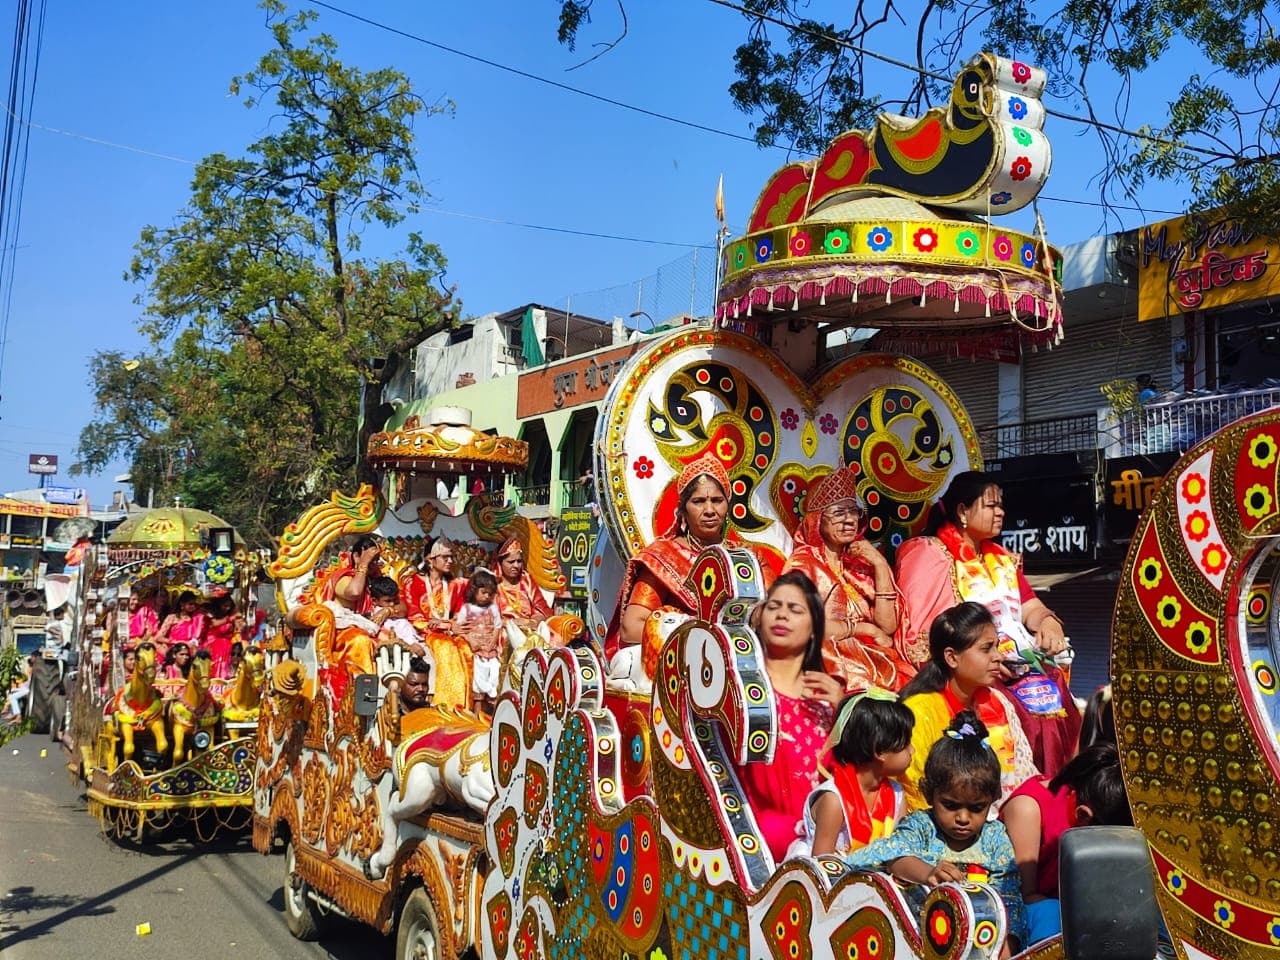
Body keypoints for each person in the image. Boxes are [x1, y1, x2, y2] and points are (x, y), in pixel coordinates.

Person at [896, 471, 1081, 776]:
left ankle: (1057, 791)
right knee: (1021, 709)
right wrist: (986, 657)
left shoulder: (1001, 559)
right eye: (991, 505)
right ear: (962, 511)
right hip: (972, 667)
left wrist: (1048, 623)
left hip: (1014, 662)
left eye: (1001, 506)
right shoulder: (931, 554)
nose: (1001, 512)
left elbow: (1029, 606)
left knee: (1055, 686)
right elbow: (927, 631)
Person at [844, 711, 1029, 954]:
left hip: (979, 947)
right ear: (930, 794)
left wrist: (1007, 945)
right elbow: (895, 858)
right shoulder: (921, 826)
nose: (963, 818)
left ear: (993, 798)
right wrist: (928, 873)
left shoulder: (994, 838)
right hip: (913, 942)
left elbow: (1009, 898)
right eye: (951, 805)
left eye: (976, 808)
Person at [737, 570, 845, 862]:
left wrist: (844, 711)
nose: (781, 615)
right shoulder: (739, 687)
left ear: (814, 628)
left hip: (823, 835)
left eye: (795, 609)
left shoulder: (828, 700)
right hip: (757, 833)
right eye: (774, 607)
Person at [782, 464, 917, 692]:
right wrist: (866, 630)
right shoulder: (803, 563)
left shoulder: (861, 566)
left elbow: (888, 626)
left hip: (877, 659)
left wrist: (879, 563)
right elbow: (800, 625)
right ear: (818, 520)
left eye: (853, 512)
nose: (848, 520)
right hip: (832, 663)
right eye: (838, 513)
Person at [896, 602, 1038, 812]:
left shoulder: (998, 701)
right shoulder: (918, 712)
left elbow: (1023, 774)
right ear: (952, 657)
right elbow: (918, 794)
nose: (998, 657)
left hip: (1001, 817)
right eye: (986, 648)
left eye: (997, 646)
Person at [1000, 741, 1130, 944]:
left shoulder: (1093, 813)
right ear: (1083, 815)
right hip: (1039, 920)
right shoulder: (1028, 808)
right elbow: (1026, 895)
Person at [611, 452, 734, 654]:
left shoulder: (747, 557)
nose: (710, 509)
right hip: (680, 668)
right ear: (683, 511)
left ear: (727, 506)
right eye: (699, 501)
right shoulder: (663, 559)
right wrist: (697, 641)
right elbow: (631, 627)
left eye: (717, 500)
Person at [791, 689, 915, 858]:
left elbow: (899, 851)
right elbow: (822, 864)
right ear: (880, 751)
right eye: (905, 744)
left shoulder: (897, 794)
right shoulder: (834, 800)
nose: (912, 750)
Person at [456, 569, 504, 711]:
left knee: (495, 674)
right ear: (474, 590)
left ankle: (493, 710)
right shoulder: (467, 609)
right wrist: (470, 640)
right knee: (478, 678)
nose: (486, 596)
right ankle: (477, 714)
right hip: (476, 651)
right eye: (484, 592)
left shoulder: (493, 608)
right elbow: (460, 628)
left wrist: (493, 641)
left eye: (490, 594)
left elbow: (497, 626)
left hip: (490, 650)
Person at [403, 538, 465, 631]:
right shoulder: (413, 583)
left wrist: (448, 624)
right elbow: (414, 618)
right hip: (423, 634)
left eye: (451, 557)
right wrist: (440, 625)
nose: (450, 561)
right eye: (445, 557)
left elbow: (460, 617)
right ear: (430, 560)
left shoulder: (455, 585)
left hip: (451, 632)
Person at [493, 538, 552, 633]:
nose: (516, 566)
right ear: (500, 563)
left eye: (519, 561)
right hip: (502, 631)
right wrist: (511, 624)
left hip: (530, 629)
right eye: (511, 562)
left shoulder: (526, 579)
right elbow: (484, 618)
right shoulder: (491, 584)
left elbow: (541, 609)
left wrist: (533, 621)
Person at [368, 577, 425, 647]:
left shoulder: (398, 611)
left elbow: (404, 624)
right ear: (374, 601)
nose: (392, 604)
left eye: (395, 599)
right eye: (388, 601)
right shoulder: (374, 613)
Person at [156, 590, 208, 662]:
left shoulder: (197, 619)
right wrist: (179, 642)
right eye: (190, 604)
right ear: (182, 604)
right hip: (175, 650)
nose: (193, 606)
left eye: (194, 604)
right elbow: (158, 637)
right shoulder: (172, 617)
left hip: (192, 652)